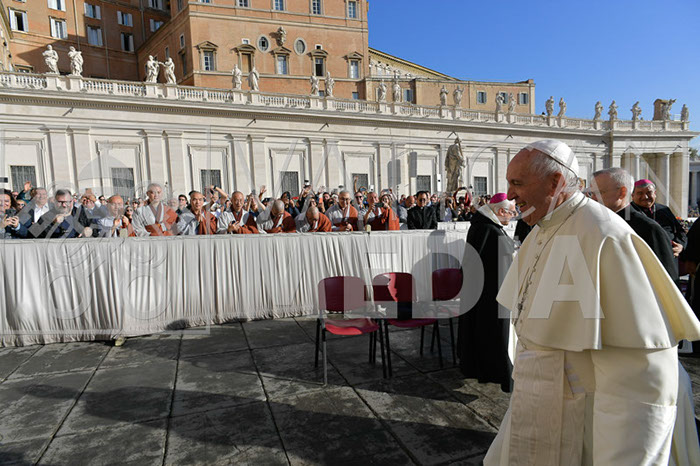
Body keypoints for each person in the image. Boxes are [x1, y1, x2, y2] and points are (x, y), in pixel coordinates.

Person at [484, 139, 700, 465]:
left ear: (555, 182)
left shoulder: (604, 235)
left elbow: (642, 372)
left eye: (517, 183)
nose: (510, 195)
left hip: (581, 422)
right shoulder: (542, 230)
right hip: (535, 404)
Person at [458, 193, 516, 392]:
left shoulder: (489, 226)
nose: (513, 215)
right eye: (510, 212)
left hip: (493, 289)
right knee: (492, 333)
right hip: (490, 293)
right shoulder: (487, 228)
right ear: (500, 211)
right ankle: (495, 371)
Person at [591, 168, 677, 283]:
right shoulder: (595, 223)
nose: (593, 199)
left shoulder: (649, 229)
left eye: (599, 193)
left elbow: (667, 282)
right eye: (592, 193)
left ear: (622, 193)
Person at [631, 179, 686, 257]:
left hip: (670, 256)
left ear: (655, 194)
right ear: (632, 196)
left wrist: (680, 245)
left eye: (649, 192)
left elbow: (680, 232)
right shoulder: (627, 213)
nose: (645, 197)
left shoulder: (664, 209)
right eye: (640, 193)